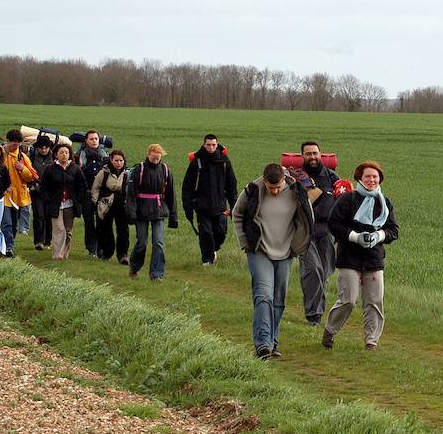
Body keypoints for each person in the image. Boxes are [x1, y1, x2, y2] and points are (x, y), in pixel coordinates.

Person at [232, 163, 313, 360]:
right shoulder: (253, 190)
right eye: (271, 188)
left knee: (278, 299)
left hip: (286, 251)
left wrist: (300, 244)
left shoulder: (297, 191)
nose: (275, 191)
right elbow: (237, 214)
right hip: (259, 250)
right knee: (263, 296)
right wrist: (245, 243)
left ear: (284, 180)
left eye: (278, 187)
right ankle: (263, 344)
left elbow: (308, 217)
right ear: (264, 181)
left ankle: (273, 341)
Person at [321, 160, 399, 351]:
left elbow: (393, 230)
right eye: (368, 176)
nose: (372, 180)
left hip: (374, 259)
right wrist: (355, 237)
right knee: (348, 300)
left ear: (380, 178)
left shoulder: (385, 202)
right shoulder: (347, 199)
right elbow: (334, 224)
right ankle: (330, 331)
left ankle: (371, 342)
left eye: (375, 176)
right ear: (359, 178)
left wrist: (379, 235)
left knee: (374, 302)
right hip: (349, 257)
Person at [297, 141, 340, 326]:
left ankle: (317, 308)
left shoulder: (332, 177)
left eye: (315, 153)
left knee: (324, 272)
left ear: (321, 155)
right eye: (308, 154)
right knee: (312, 270)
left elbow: (341, 204)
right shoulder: (295, 176)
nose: (312, 157)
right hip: (304, 232)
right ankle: (314, 314)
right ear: (302, 156)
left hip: (327, 232)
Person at [181, 134, 237, 266]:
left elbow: (231, 186)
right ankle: (207, 259)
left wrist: (234, 206)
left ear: (217, 145)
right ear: (204, 145)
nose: (211, 147)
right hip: (202, 206)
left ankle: (213, 250)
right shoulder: (197, 161)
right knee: (205, 233)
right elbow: (187, 186)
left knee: (221, 232)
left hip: (220, 206)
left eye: (213, 145)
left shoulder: (224, 161)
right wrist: (188, 207)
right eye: (208, 145)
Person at [125, 143, 177, 281]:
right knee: (142, 242)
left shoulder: (165, 170)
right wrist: (131, 213)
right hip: (141, 211)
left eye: (158, 159)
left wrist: (173, 216)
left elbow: (171, 194)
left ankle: (157, 274)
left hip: (159, 211)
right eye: (154, 158)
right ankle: (134, 267)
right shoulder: (139, 170)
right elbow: (131, 194)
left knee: (158, 242)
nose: (156, 161)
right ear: (148, 155)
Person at [40, 143, 87, 260]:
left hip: (70, 204)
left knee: (68, 231)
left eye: (66, 152)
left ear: (70, 155)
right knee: (59, 229)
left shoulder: (75, 169)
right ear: (56, 154)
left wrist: (79, 199)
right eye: (61, 152)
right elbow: (44, 186)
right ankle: (58, 255)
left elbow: (82, 185)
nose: (64, 155)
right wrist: (47, 199)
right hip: (55, 204)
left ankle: (65, 254)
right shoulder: (50, 169)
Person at [1, 129, 37, 258]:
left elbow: (31, 176)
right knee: (6, 223)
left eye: (17, 143)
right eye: (12, 143)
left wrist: (23, 169)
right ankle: (8, 248)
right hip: (3, 195)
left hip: (17, 197)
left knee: (14, 225)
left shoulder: (23, 157)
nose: (14, 145)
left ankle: (9, 244)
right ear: (7, 141)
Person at [92, 149, 130, 264]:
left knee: (123, 230)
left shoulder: (128, 174)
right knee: (106, 229)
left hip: (122, 205)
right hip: (106, 205)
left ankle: (122, 255)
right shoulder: (103, 173)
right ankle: (107, 252)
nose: (119, 163)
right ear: (111, 160)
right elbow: (95, 188)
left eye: (121, 160)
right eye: (116, 160)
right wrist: (97, 202)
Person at [75, 130, 108, 257]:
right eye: (91, 139)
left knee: (101, 220)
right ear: (86, 141)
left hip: (101, 194)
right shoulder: (80, 155)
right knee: (89, 222)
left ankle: (101, 248)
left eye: (96, 139)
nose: (94, 141)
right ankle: (91, 249)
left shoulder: (104, 155)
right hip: (87, 193)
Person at [28, 136, 55, 251]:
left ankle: (47, 241)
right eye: (41, 148)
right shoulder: (32, 156)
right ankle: (38, 241)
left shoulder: (54, 156)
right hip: (36, 191)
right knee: (39, 216)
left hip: (50, 192)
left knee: (49, 217)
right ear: (37, 148)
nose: (44, 150)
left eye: (46, 148)